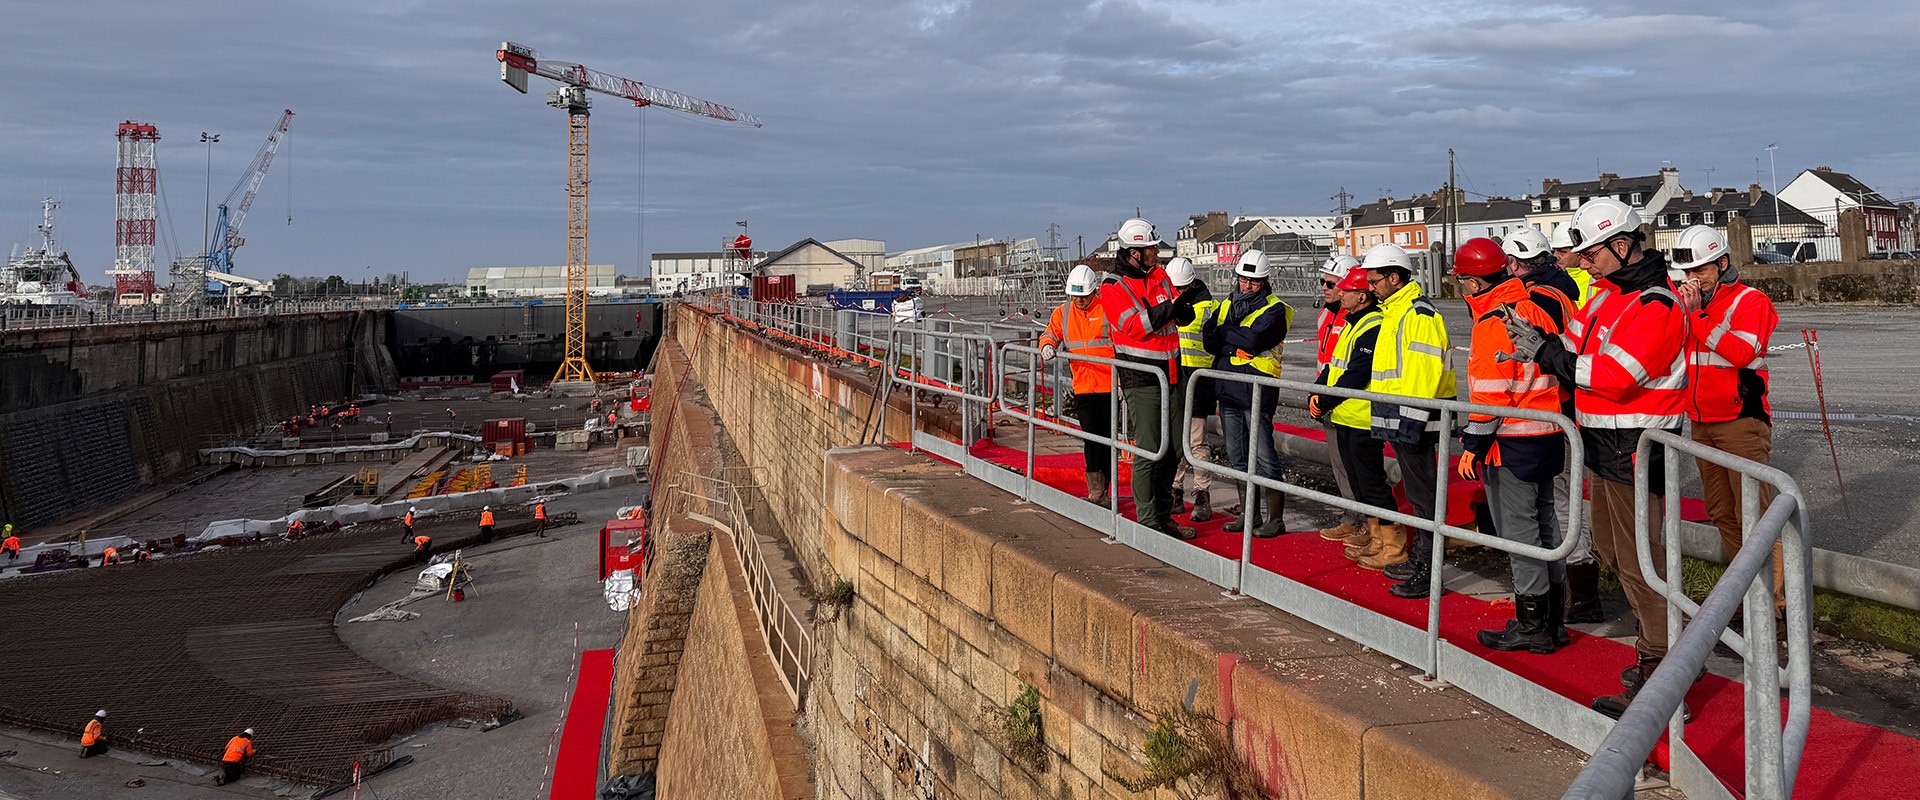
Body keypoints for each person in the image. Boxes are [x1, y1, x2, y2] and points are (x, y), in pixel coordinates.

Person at [1504, 197, 1688, 720]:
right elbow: (1576, 342)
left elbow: (1612, 376)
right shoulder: (1610, 297)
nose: (1582, 262)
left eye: (1591, 253)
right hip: (1608, 448)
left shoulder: (1656, 305)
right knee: (1614, 550)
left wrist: (1547, 354)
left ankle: (1663, 674)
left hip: (1638, 449)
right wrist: (1540, 338)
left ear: (1622, 246)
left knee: (1642, 563)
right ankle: (1666, 656)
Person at [1452, 238, 1570, 654]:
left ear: (1472, 282)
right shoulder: (1533, 307)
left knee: (1519, 536)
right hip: (1548, 435)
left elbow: (1490, 395)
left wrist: (1472, 443)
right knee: (1547, 526)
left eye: (1461, 282)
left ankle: (1533, 626)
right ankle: (1555, 620)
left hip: (1512, 443)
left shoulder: (1490, 323)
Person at [1673, 224, 1784, 616]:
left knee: (1755, 517)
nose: (1692, 280)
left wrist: (1696, 316)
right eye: (1687, 272)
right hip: (1701, 420)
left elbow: (1741, 352)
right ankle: (1749, 593)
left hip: (1741, 421)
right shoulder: (1687, 303)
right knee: (1721, 512)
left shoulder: (1751, 301)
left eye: (1700, 270)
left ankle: (1776, 607)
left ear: (1722, 263)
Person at [1506, 228, 1600, 623]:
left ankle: (1580, 593)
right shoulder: (1562, 292)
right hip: (1566, 405)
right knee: (1561, 498)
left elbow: (1545, 354)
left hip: (1554, 407)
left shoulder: (1535, 299)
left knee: (1559, 499)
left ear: (1515, 264)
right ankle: (1578, 589)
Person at [1097, 217, 1206, 539]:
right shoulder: (1113, 286)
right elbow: (1134, 326)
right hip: (1141, 378)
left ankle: (1163, 516)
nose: (1156, 253)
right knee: (1149, 450)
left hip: (1171, 373)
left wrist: (1185, 306)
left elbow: (1175, 315)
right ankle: (1148, 523)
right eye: (1151, 249)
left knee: (1173, 449)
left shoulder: (1158, 275)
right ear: (1134, 253)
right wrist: (1172, 308)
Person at [1358, 244, 1456, 598]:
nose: (1371, 287)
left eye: (1375, 280)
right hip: (1402, 420)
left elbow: (1423, 377)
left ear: (1394, 277)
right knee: (1418, 499)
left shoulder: (1417, 314)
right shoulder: (1397, 312)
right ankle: (1421, 561)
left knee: (1426, 501)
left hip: (1416, 423)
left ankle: (1430, 574)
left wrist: (1409, 425)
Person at [1203, 250, 1294, 538]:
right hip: (1229, 388)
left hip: (1256, 390)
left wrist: (1225, 335)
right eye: (1243, 279)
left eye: (1253, 281)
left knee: (1265, 456)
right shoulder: (1227, 303)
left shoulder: (1276, 310)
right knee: (1237, 456)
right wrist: (1233, 341)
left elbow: (1255, 341)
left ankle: (1275, 519)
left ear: (1264, 281)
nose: (1247, 285)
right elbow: (1208, 338)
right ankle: (1249, 514)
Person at [1311, 267, 1394, 558]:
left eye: (1345, 290)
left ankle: (1391, 547)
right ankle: (1375, 538)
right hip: (1346, 413)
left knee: (1372, 484)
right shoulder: (1353, 323)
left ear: (1361, 296)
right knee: (1360, 483)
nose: (1339, 293)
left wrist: (1325, 399)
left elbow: (1358, 373)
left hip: (1362, 417)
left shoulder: (1372, 323)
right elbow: (1335, 365)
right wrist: (1318, 391)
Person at [1037, 264, 1118, 503]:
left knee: (1109, 438)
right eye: (1075, 297)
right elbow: (1050, 332)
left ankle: (1107, 490)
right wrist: (1047, 346)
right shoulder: (1063, 312)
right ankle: (1097, 492)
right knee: (1092, 437)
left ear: (1094, 292)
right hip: (1083, 385)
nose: (1079, 301)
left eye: (1083, 297)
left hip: (1110, 385)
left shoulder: (1108, 310)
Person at [1313, 255, 1368, 544]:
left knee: (1357, 466)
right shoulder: (1326, 315)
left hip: (1348, 403)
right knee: (1339, 463)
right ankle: (1351, 514)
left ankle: (1361, 519)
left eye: (1331, 283)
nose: (1325, 287)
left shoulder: (1355, 319)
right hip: (1329, 399)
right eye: (1324, 282)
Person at [1167, 257, 1219, 522]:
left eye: (1180, 289)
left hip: (1199, 382)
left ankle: (1201, 494)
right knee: (1175, 440)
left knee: (1197, 443)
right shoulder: (1165, 303)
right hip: (1175, 379)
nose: (1176, 293)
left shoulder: (1210, 307)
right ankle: (1174, 491)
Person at [1548, 222, 1595, 309]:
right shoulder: (1555, 278)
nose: (1555, 256)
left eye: (1561, 251)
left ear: (1578, 251)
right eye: (1554, 251)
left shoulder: (1595, 277)